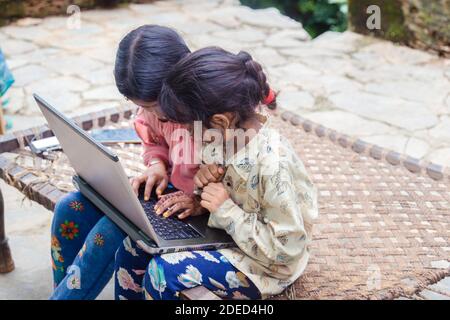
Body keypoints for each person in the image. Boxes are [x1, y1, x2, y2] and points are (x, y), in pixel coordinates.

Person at [114, 47, 318, 300]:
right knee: (133, 246)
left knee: (164, 272)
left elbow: (287, 250)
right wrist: (202, 195)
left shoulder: (272, 165)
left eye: (187, 127)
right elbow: (226, 191)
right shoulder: (219, 136)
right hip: (229, 236)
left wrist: (225, 209)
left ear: (220, 121)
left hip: (265, 266)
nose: (185, 134)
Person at [50, 25, 200, 299]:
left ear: (181, 80)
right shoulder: (155, 109)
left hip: (203, 216)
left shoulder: (213, 115)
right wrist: (156, 163)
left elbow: (239, 180)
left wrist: (199, 201)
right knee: (69, 208)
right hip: (167, 198)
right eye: (143, 106)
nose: (152, 114)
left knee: (111, 230)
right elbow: (153, 138)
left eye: (156, 107)